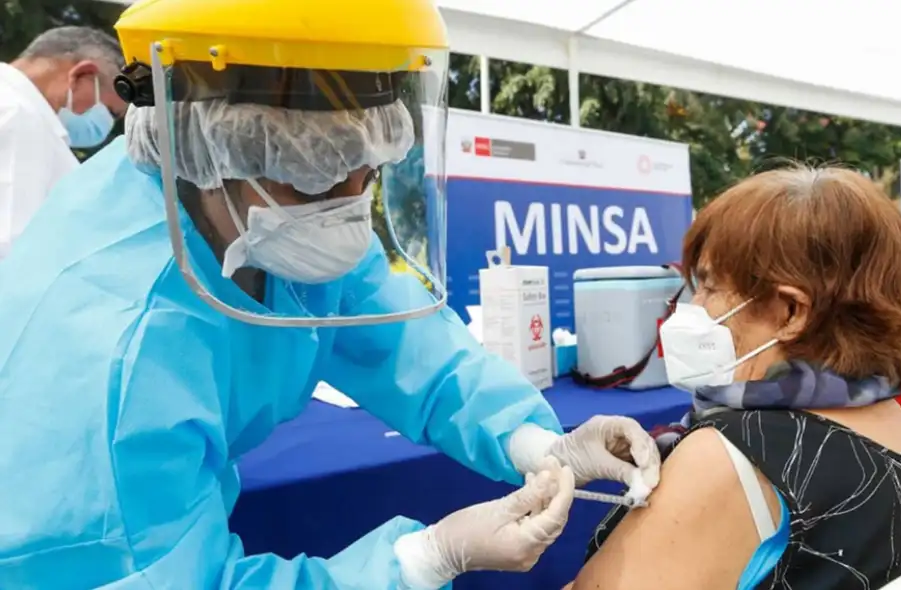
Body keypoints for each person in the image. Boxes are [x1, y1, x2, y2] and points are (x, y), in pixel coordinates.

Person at [0, 1, 660, 589]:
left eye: (365, 173)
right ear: (208, 147)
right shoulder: (110, 357)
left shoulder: (265, 213)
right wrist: (424, 560)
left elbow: (406, 344)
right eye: (314, 180)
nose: (345, 214)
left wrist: (537, 442)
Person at [568, 167, 901, 590]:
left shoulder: (732, 456)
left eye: (707, 286)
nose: (689, 308)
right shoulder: (887, 416)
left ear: (789, 313)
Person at [0, 26, 127, 260]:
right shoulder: (22, 119)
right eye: (109, 111)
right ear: (81, 75)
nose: (105, 125)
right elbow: (12, 245)